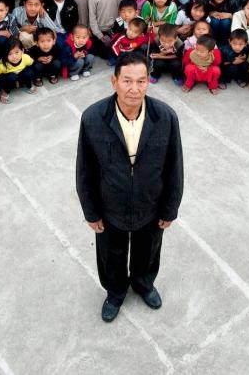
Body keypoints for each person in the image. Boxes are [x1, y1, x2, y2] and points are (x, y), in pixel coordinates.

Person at [76, 51, 183, 322]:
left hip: (151, 204)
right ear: (114, 82)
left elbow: (175, 167)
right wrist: (91, 212)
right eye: (127, 81)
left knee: (148, 250)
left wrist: (170, 210)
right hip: (110, 207)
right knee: (111, 254)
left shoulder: (166, 118)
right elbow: (84, 170)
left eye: (141, 81)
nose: (134, 89)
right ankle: (115, 292)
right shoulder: (92, 119)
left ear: (148, 82)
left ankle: (144, 283)